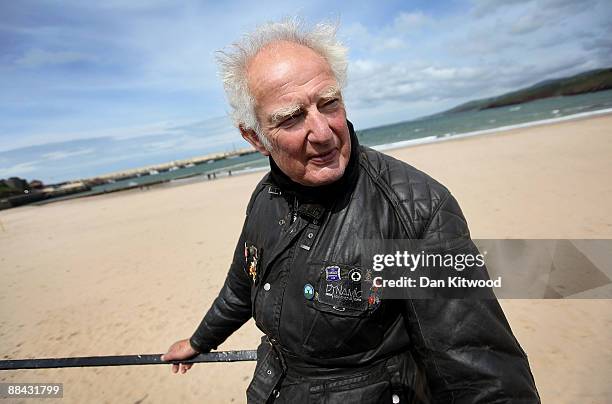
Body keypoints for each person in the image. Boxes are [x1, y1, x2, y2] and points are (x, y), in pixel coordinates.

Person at [162, 19, 540, 403]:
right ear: (254, 136)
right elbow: (243, 284)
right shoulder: (266, 197)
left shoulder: (413, 211)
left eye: (329, 103)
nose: (324, 132)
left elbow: (481, 374)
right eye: (292, 117)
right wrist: (198, 341)